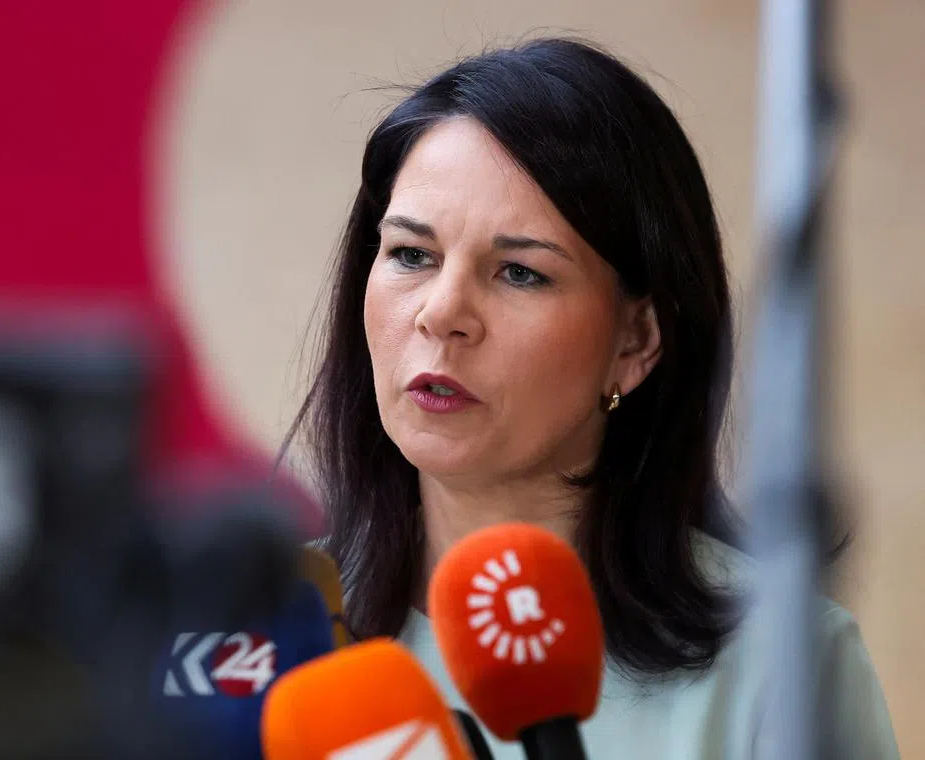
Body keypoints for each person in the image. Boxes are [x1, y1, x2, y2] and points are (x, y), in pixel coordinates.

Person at [283, 37, 899, 758]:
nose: (441, 312)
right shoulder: (261, 643)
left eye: (519, 273)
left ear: (636, 342)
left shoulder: (788, 664)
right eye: (412, 256)